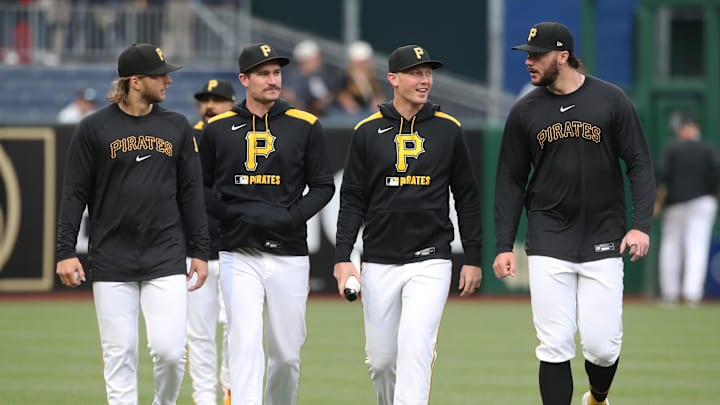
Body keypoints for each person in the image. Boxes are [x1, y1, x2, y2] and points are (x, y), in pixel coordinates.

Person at [493, 22, 656, 405]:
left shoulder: (611, 100)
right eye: (527, 55)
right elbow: (510, 180)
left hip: (603, 234)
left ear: (563, 56)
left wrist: (641, 226)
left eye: (537, 55)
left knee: (602, 347)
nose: (529, 62)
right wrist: (504, 244)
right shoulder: (524, 111)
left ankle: (597, 397)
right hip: (549, 238)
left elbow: (639, 164)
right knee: (554, 344)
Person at [55, 42, 210, 404]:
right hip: (112, 256)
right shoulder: (93, 128)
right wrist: (65, 250)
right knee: (119, 355)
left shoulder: (176, 126)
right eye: (161, 75)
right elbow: (74, 194)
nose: (169, 80)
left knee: (171, 354)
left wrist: (200, 251)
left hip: (165, 255)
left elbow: (191, 193)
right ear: (136, 81)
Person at [333, 44, 483, 404]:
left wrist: (474, 256)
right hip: (380, 260)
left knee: (415, 348)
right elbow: (352, 198)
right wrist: (342, 257)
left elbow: (467, 197)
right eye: (416, 73)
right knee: (382, 362)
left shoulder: (449, 130)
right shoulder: (367, 131)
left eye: (428, 73)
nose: (424, 80)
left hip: (431, 259)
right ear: (393, 79)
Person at [197, 43, 335, 405]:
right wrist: (231, 216)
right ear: (244, 79)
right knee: (244, 344)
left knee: (287, 356)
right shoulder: (218, 129)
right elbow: (201, 188)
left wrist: (291, 217)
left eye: (276, 72)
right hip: (237, 254)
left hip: (289, 254)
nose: (273, 80)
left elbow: (323, 186)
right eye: (263, 73)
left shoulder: (305, 125)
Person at [187, 78, 236, 405]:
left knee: (238, 330)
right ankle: (204, 398)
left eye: (218, 99)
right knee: (198, 334)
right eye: (205, 99)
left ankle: (231, 390)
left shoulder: (242, 138)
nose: (210, 105)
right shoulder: (185, 138)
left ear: (232, 104)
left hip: (236, 250)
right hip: (196, 252)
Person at [655, 117, 720, 307]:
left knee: (671, 247)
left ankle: (671, 295)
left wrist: (658, 200)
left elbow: (660, 175)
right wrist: (711, 195)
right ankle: (691, 294)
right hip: (702, 202)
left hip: (677, 204)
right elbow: (716, 174)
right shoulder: (707, 149)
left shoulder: (673, 149)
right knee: (695, 247)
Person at [330, 40, 385, 119]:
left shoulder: (373, 80)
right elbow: (346, 101)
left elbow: (378, 98)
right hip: (348, 116)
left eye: (365, 62)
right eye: (359, 63)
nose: (362, 66)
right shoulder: (344, 78)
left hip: (367, 114)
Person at [281, 39, 335, 117]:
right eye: (315, 59)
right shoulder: (290, 77)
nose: (319, 62)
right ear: (304, 61)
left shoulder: (316, 78)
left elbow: (322, 102)